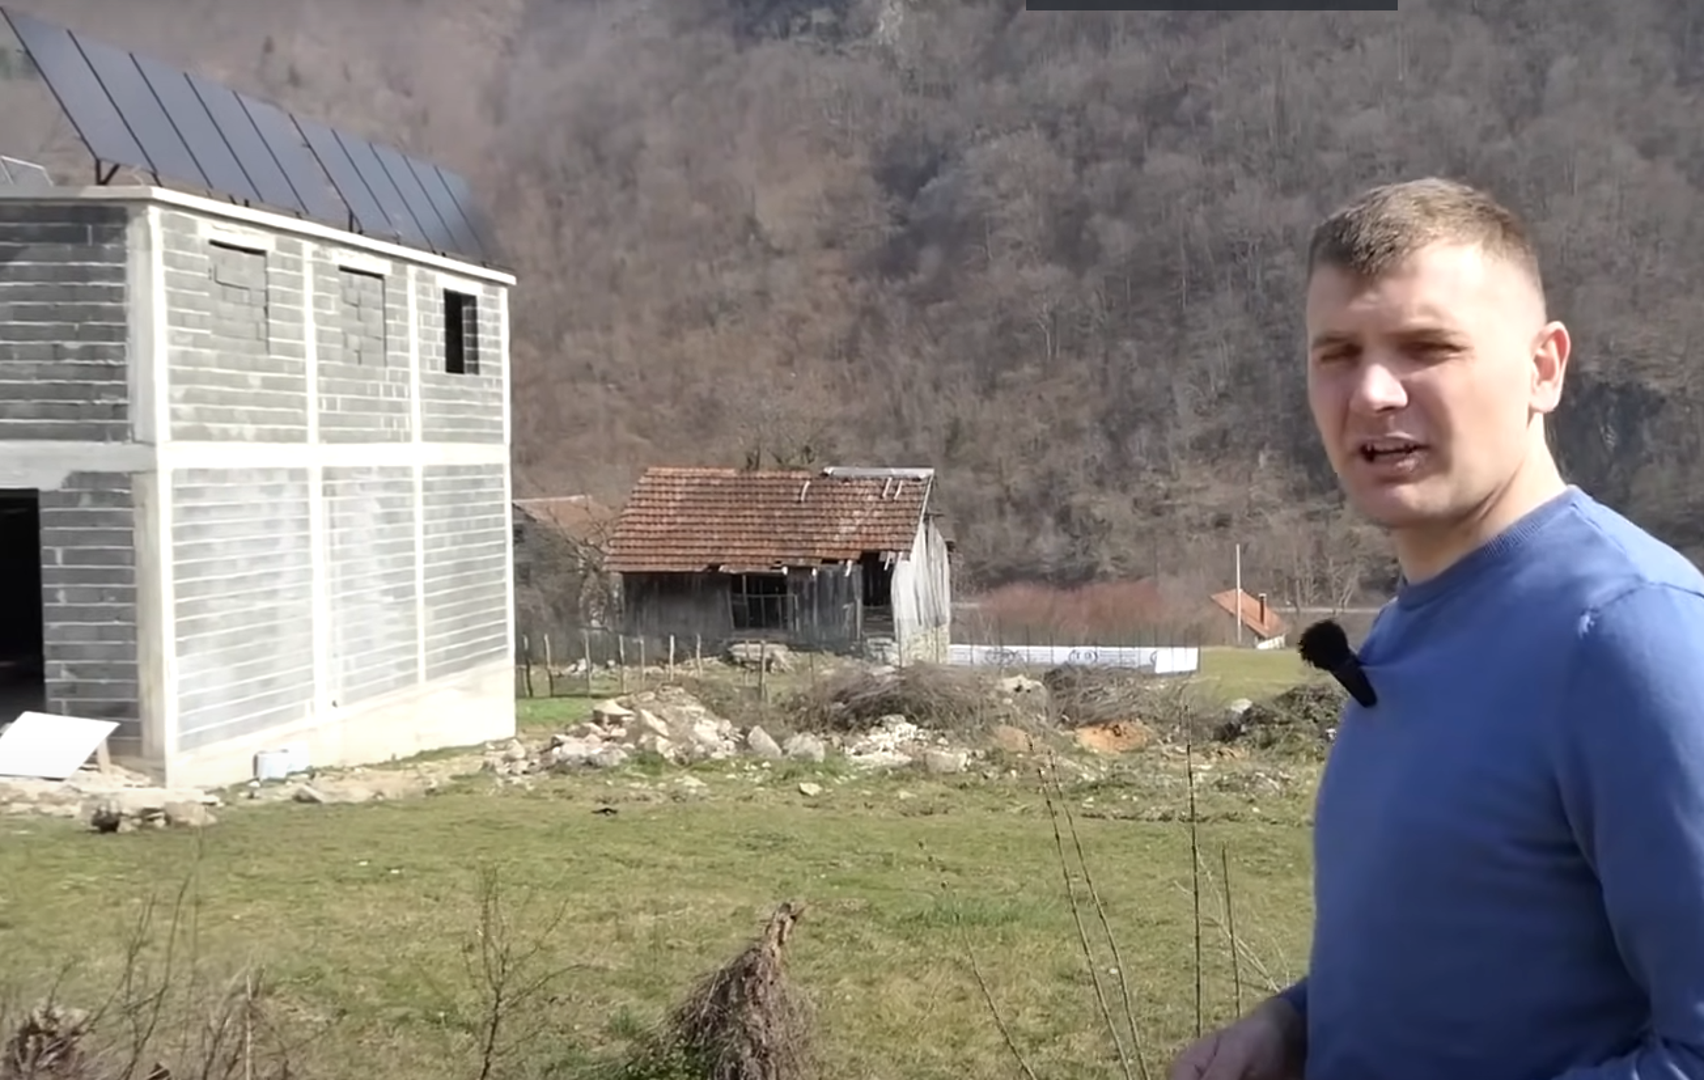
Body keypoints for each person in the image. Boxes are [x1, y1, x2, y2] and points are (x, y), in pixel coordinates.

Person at [1168, 177, 1704, 1080]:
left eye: (1428, 348)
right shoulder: (1406, 628)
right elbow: (1468, 949)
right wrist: (1294, 1027)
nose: (1373, 392)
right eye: (1338, 353)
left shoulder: (1629, 633)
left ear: (1544, 368)